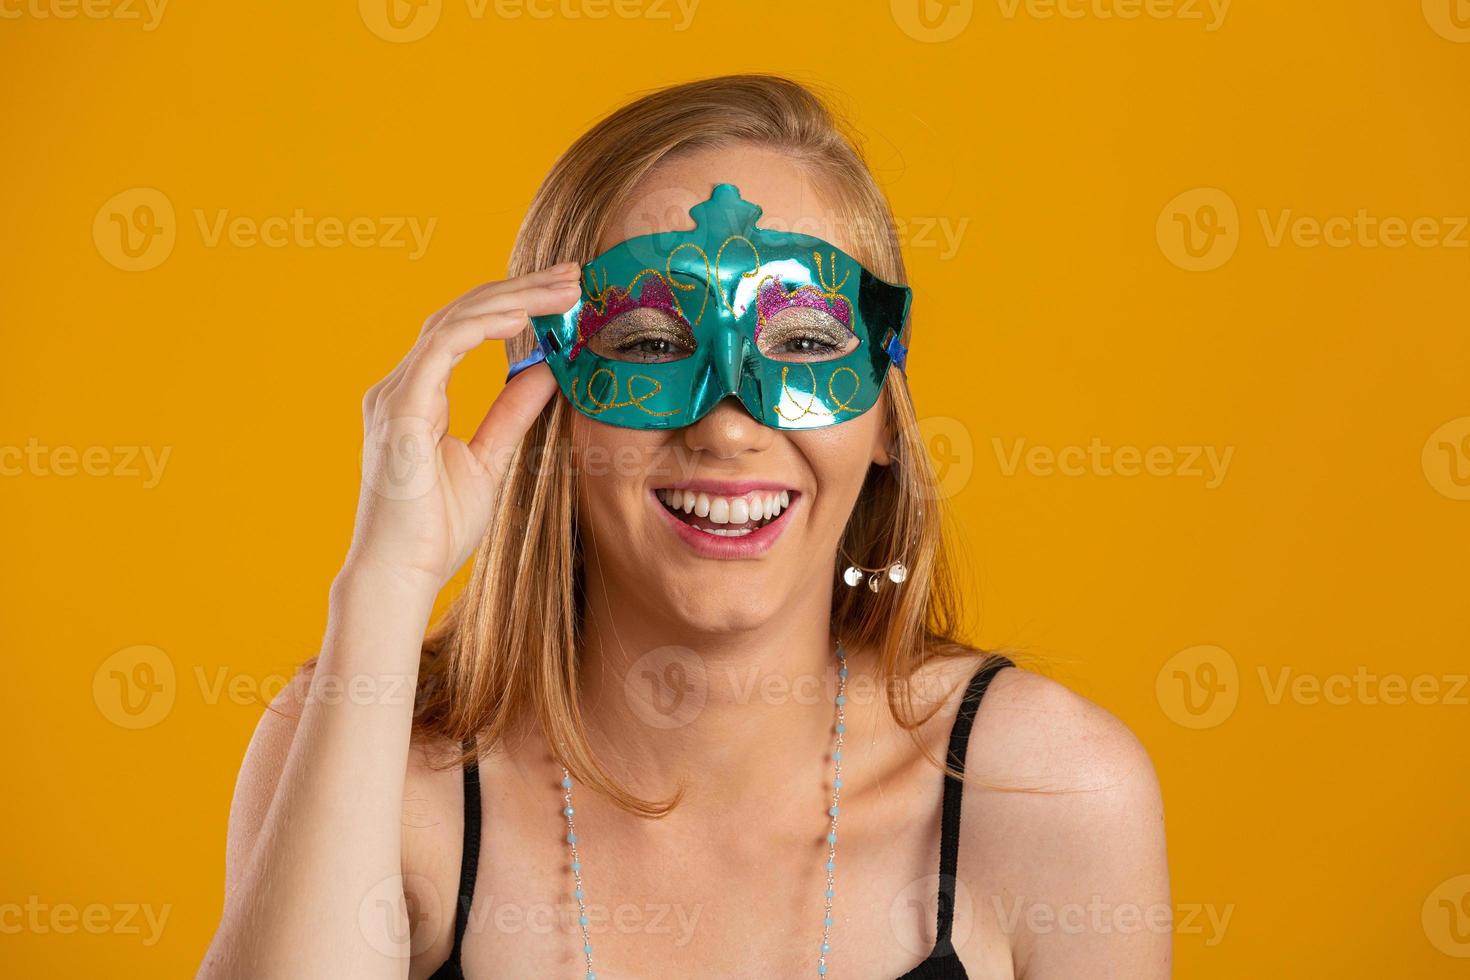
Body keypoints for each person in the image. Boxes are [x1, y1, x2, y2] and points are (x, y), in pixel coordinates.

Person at [199, 73, 1170, 979]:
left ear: (884, 412)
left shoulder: (1050, 794)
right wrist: (385, 580)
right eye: (654, 341)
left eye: (801, 342)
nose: (726, 422)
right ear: (550, 399)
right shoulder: (360, 755)